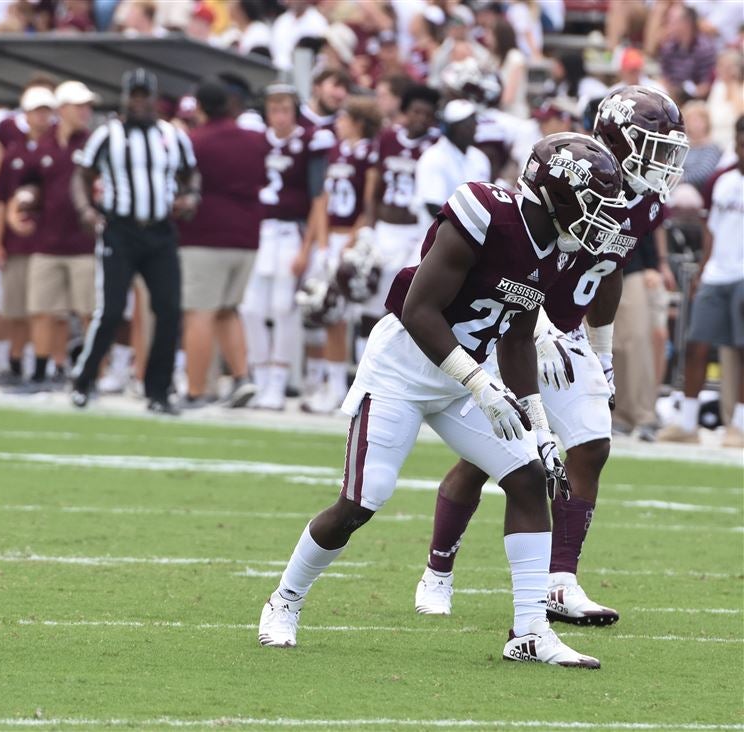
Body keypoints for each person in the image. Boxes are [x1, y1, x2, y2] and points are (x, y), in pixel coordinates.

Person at [257, 132, 625, 668]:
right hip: (403, 369)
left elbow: (519, 337)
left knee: (527, 479)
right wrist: (480, 384)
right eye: (594, 201)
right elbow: (418, 308)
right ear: (557, 192)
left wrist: (539, 424)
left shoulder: (555, 247)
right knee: (362, 499)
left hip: (463, 376)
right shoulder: (486, 212)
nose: (600, 218)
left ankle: (529, 633)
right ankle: (284, 600)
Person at [413, 87, 689, 625]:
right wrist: (532, 322)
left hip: (565, 332)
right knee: (492, 457)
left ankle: (560, 582)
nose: (663, 164)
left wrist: (601, 352)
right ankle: (437, 569)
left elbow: (608, 276)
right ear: (616, 139)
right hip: (515, 324)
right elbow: (520, 247)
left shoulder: (647, 202)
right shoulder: (576, 173)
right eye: (653, 148)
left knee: (591, 447)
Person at [69, 68, 198, 415]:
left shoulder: (172, 135)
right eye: (134, 96)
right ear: (126, 98)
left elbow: (190, 173)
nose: (139, 102)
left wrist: (191, 196)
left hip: (160, 231)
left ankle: (158, 391)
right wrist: (86, 210)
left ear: (154, 99)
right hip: (120, 230)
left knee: (169, 311)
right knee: (110, 312)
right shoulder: (107, 135)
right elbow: (82, 175)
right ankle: (84, 380)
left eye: (145, 96)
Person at [176, 77, 267, 409]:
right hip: (247, 237)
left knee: (198, 314)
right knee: (227, 311)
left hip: (205, 236)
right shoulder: (257, 140)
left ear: (199, 107)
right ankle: (242, 378)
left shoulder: (195, 141)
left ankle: (196, 391)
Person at [241, 83, 333, 411]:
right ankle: (261, 377)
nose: (279, 116)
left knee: (284, 307)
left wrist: (309, 247)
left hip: (291, 232)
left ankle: (278, 382)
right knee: (249, 308)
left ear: (295, 111)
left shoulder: (309, 141)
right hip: (259, 232)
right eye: (273, 109)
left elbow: (318, 197)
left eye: (285, 109)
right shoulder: (255, 141)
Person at [658, 116, 744, 448]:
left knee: (740, 350)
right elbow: (710, 227)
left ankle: (737, 425)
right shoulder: (720, 179)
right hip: (717, 274)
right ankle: (688, 423)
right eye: (739, 139)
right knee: (696, 345)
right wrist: (704, 269)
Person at [9, 80, 98, 393]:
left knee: (89, 313)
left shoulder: (93, 142)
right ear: (63, 109)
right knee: (42, 311)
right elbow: (28, 184)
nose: (86, 111)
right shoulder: (43, 145)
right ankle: (40, 373)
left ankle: (91, 376)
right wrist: (21, 205)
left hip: (86, 244)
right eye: (79, 105)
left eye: (88, 106)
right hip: (46, 242)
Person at [300, 98, 382, 415]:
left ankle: (361, 391)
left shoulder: (369, 153)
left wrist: (350, 242)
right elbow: (322, 200)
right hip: (332, 238)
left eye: (344, 117)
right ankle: (334, 388)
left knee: (360, 318)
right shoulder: (335, 151)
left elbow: (369, 202)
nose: (337, 122)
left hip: (355, 238)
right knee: (331, 314)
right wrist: (322, 245)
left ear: (359, 121)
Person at [355, 84, 439, 356]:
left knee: (401, 302)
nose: (421, 119)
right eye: (416, 112)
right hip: (385, 230)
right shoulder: (388, 137)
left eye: (427, 115)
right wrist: (368, 226)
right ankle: (361, 366)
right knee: (368, 300)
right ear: (405, 111)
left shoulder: (435, 145)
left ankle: (390, 361)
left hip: (415, 231)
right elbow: (374, 187)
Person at [0, 85, 57, 386]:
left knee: (44, 310)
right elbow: (0, 199)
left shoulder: (59, 148)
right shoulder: (13, 151)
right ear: (26, 114)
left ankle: (49, 364)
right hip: (17, 243)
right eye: (37, 110)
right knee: (15, 309)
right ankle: (15, 362)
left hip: (49, 243)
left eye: (47, 110)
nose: (42, 116)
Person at [415, 99, 491, 219]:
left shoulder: (480, 158)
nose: (473, 128)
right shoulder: (433, 157)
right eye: (467, 124)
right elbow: (434, 208)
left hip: (474, 233)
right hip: (439, 235)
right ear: (450, 128)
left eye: (474, 122)